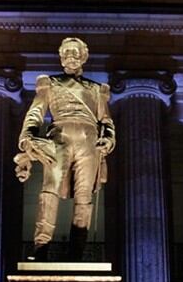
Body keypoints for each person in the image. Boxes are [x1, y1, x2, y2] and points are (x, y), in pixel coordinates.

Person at [14, 37, 115, 261]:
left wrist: (108, 139)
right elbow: (35, 113)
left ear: (84, 57)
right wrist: (27, 135)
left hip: (89, 143)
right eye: (66, 52)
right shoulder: (49, 83)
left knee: (84, 197)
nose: (71, 56)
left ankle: (76, 253)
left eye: (75, 52)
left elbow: (106, 121)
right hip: (59, 138)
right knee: (49, 191)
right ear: (61, 59)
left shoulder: (98, 90)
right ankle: (41, 247)